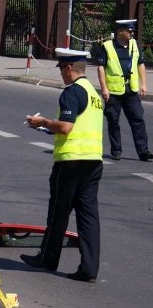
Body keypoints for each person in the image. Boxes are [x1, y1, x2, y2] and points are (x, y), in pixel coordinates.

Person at [21, 48, 104, 283]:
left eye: (61, 69)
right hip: (93, 162)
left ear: (69, 68)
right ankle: (89, 269)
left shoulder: (71, 93)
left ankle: (47, 259)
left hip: (70, 163)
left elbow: (66, 128)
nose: (61, 74)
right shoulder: (94, 94)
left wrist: (42, 121)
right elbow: (77, 127)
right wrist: (47, 128)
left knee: (58, 213)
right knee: (89, 217)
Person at [97, 19, 153, 162]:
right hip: (114, 91)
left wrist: (144, 84)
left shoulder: (134, 45)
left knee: (138, 120)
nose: (131, 33)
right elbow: (101, 68)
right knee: (113, 121)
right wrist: (104, 88)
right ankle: (116, 150)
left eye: (132, 30)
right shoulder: (107, 46)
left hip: (131, 90)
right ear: (120, 31)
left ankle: (143, 151)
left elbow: (140, 64)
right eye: (129, 31)